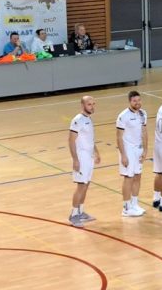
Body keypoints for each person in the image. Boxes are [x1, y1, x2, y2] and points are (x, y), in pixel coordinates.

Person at [68, 96, 101, 227]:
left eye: (93, 104)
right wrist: (75, 160)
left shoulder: (89, 119)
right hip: (81, 158)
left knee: (86, 184)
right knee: (81, 186)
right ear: (82, 105)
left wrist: (96, 152)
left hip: (89, 157)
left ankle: (80, 212)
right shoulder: (77, 120)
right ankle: (73, 215)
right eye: (89, 104)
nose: (92, 107)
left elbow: (90, 139)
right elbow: (71, 141)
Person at [116, 91, 148, 218]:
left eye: (139, 100)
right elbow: (118, 137)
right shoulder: (123, 116)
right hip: (128, 150)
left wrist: (145, 150)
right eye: (135, 101)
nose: (137, 103)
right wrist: (123, 155)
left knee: (137, 176)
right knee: (128, 177)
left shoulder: (143, 113)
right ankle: (126, 208)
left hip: (138, 149)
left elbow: (144, 132)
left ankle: (134, 204)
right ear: (130, 101)